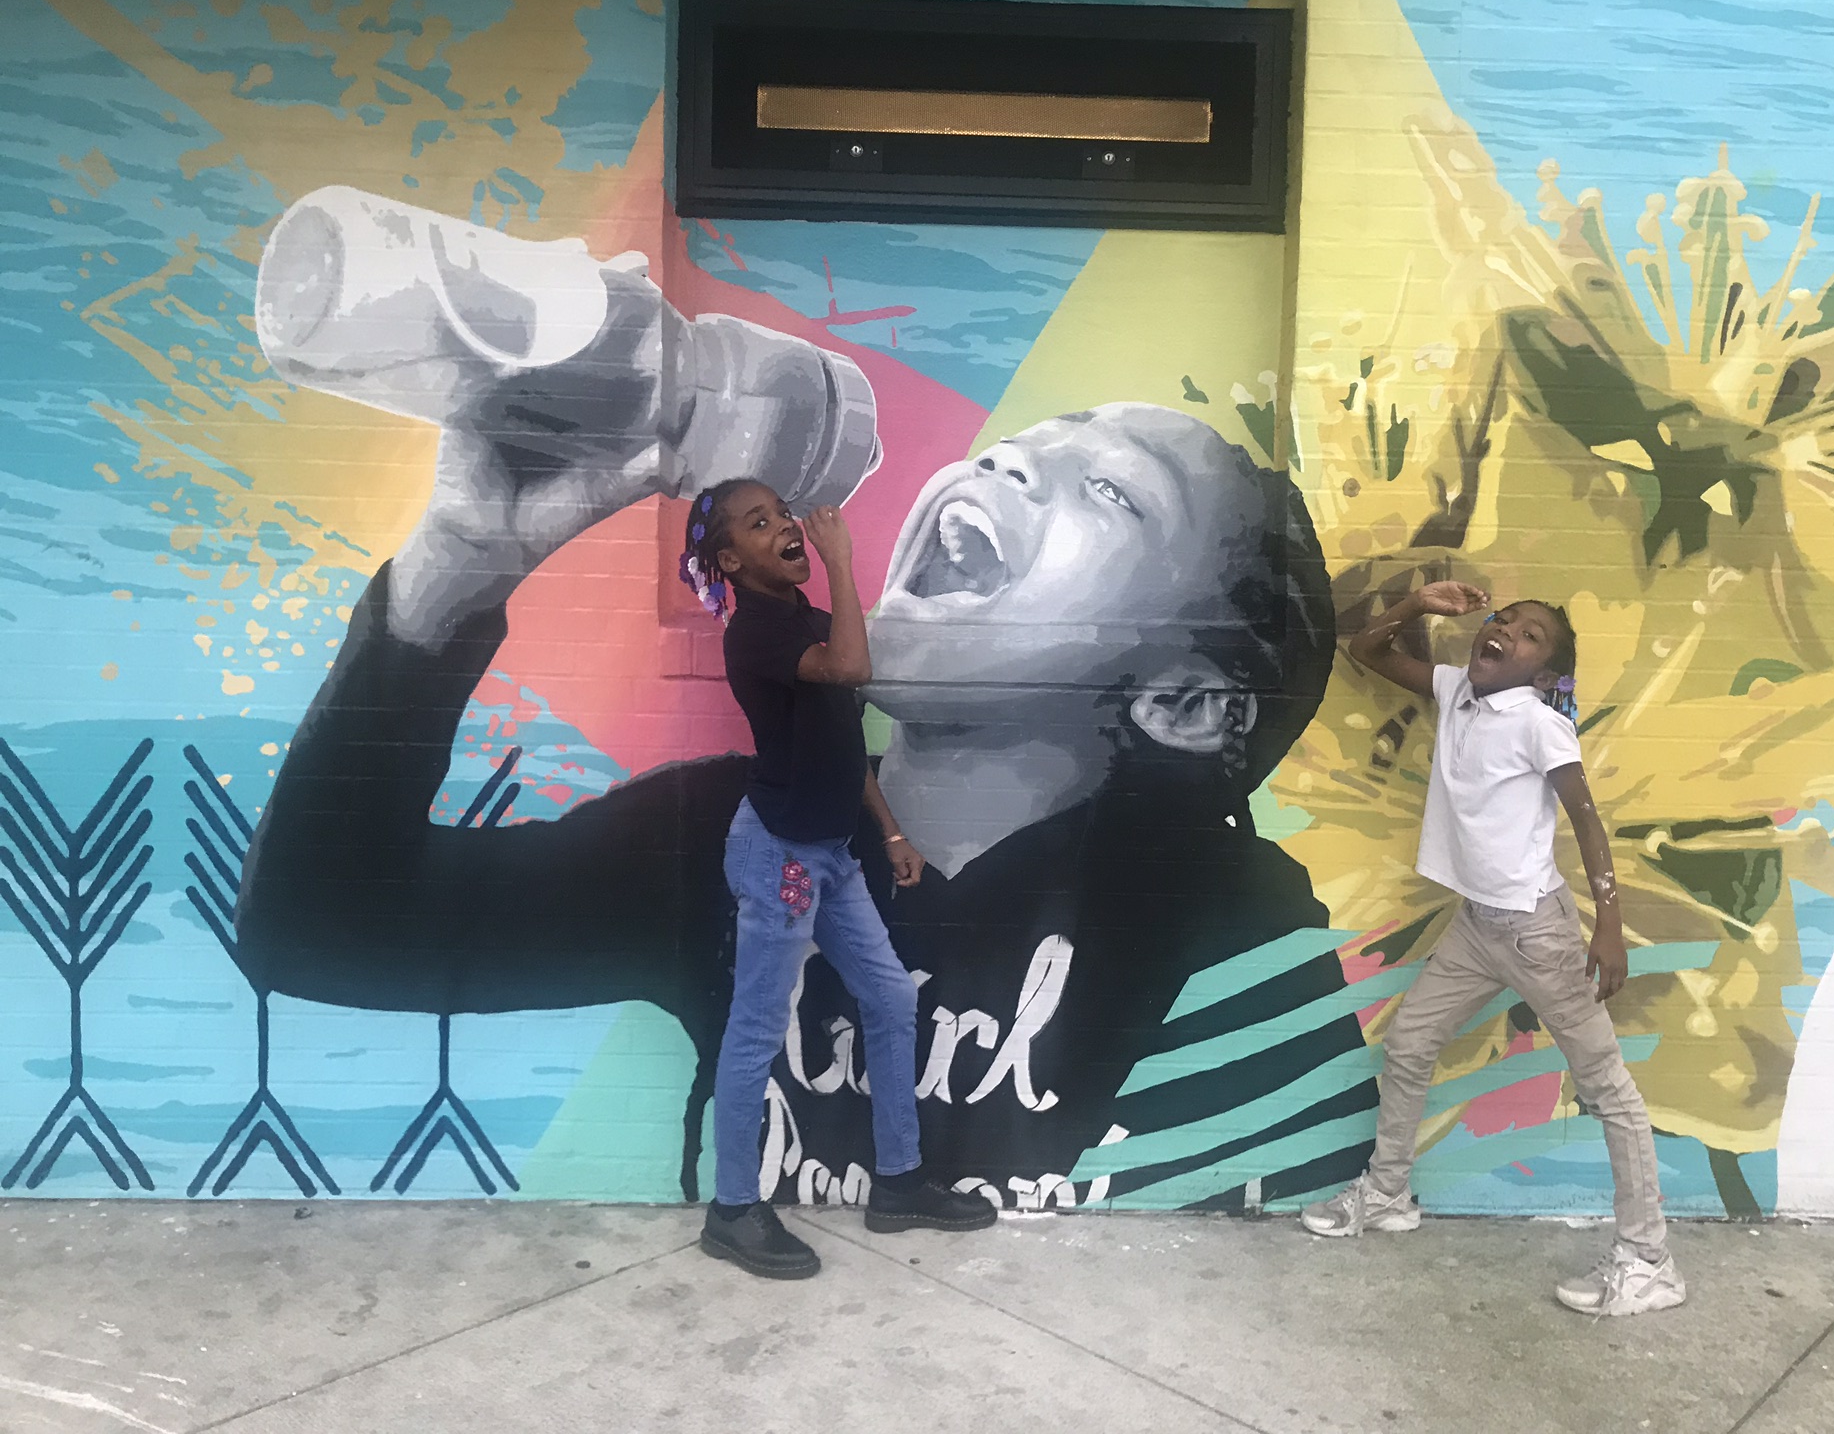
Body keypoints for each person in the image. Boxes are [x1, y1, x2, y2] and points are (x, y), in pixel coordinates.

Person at [236, 397, 1363, 1215]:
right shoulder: (715, 837)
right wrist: (456, 568)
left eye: (1109, 490)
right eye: (1018, 443)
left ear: (1178, 698)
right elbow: (316, 925)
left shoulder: (1226, 931)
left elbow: (1255, 1230)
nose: (1010, 466)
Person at [1298, 582, 1686, 1318]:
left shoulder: (1541, 725)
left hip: (1535, 934)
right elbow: (1366, 649)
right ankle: (1387, 1193)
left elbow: (1587, 821)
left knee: (1608, 1090)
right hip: (1478, 928)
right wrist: (1417, 605)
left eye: (1531, 634)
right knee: (1410, 1043)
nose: (1507, 628)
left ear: (1544, 676)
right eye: (1504, 618)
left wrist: (1608, 921)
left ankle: (1649, 1261)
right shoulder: (1457, 693)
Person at [682, 482, 996, 1278]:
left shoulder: (809, 623)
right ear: (730, 560)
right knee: (757, 1026)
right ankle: (732, 1210)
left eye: (782, 514)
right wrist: (842, 559)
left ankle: (898, 1183)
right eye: (760, 524)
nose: (785, 526)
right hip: (780, 856)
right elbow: (852, 665)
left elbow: (843, 742)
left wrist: (889, 830)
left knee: (890, 996)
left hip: (830, 853)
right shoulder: (753, 633)